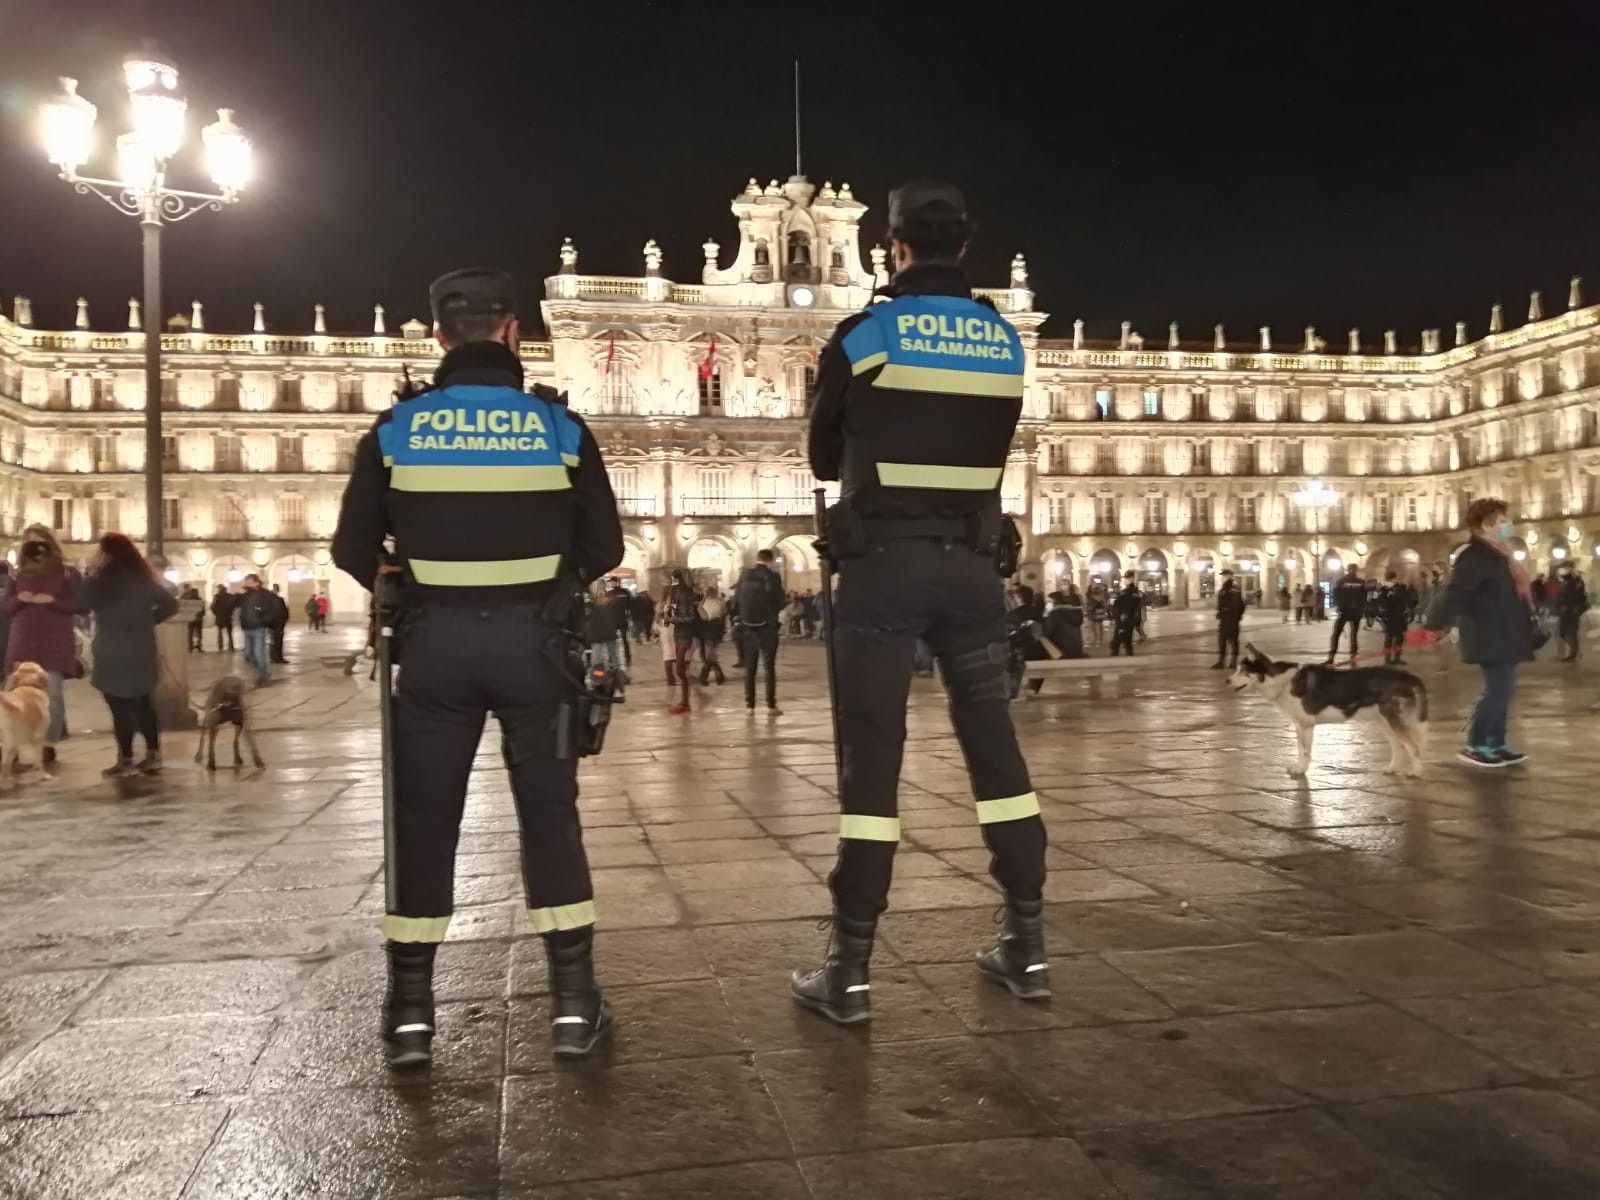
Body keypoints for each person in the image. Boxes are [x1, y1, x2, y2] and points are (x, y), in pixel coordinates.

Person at [332, 266, 624, 1064]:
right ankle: (571, 1005)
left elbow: (350, 548)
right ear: (513, 334)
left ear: (438, 338)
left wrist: (407, 580)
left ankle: (411, 1014)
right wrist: (549, 579)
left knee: (425, 823)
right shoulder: (560, 430)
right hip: (537, 651)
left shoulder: (397, 430)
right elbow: (607, 546)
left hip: (434, 653)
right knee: (549, 819)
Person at [794, 181, 1049, 1023]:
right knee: (998, 761)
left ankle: (852, 971)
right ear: (963, 249)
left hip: (882, 575)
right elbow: (994, 437)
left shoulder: (866, 334)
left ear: (894, 246)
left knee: (873, 767)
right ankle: (1026, 944)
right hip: (973, 575)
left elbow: (823, 453)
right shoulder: (1004, 343)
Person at [1424, 497, 1535, 767]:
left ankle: (1496, 743)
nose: (1509, 525)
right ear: (1486, 524)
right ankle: (1475, 744)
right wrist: (1437, 624)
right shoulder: (1474, 556)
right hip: (1488, 631)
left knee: (1503, 690)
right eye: (1502, 520)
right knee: (1498, 690)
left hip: (1504, 630)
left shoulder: (1500, 554)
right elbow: (1456, 593)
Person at [81, 534, 179, 777]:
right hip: (140, 648)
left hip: (110, 648)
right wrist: (149, 620)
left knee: (118, 706)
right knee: (144, 704)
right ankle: (153, 754)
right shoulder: (143, 580)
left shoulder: (100, 581)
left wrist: (89, 575)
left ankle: (125, 759)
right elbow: (170, 604)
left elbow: (80, 604)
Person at [3, 524, 81, 762]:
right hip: (23, 637)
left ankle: (48, 743)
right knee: (11, 692)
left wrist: (53, 600)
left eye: (41, 541)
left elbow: (80, 605)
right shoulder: (17, 575)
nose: (36, 547)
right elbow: (5, 608)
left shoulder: (68, 574)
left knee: (53, 693)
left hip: (54, 638)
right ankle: (10, 743)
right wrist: (19, 599)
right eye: (30, 541)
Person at [733, 549, 787, 714]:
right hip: (768, 628)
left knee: (750, 669)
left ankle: (750, 706)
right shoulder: (773, 577)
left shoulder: (744, 576)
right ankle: (771, 705)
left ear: (757, 559)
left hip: (749, 628)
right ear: (770, 561)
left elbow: (735, 602)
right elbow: (781, 602)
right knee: (769, 667)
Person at [661, 570, 700, 714]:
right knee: (680, 669)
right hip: (678, 634)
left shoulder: (687, 594)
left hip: (686, 634)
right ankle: (684, 702)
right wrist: (668, 611)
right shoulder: (675, 594)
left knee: (679, 669)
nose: (673, 583)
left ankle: (685, 702)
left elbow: (690, 618)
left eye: (674, 580)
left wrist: (671, 619)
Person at [235, 574, 276, 686]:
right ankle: (263, 672)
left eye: (249, 582)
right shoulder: (245, 595)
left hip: (258, 628)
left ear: (257, 582)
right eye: (246, 582)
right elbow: (236, 604)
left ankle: (262, 677)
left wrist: (262, 620)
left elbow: (270, 610)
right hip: (247, 628)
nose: (247, 584)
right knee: (247, 654)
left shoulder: (265, 595)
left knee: (259, 653)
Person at [1326, 564, 1366, 663]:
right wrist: (1361, 608)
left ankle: (1331, 657)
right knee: (1353, 634)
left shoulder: (1341, 581)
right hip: (1355, 611)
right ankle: (1353, 656)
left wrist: (1339, 606)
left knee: (1336, 634)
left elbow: (1336, 595)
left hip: (1345, 611)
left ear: (1347, 570)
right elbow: (1364, 597)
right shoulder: (1361, 582)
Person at [1555, 562, 1589, 663]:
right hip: (1566, 610)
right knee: (1563, 632)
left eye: (1566, 568)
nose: (1563, 570)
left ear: (1571, 569)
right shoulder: (1566, 580)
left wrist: (1569, 606)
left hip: (1573, 610)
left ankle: (1573, 654)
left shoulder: (1576, 581)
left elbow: (1575, 596)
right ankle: (1575, 652)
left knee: (1570, 632)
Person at [1213, 569, 1246, 669]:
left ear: (1230, 576)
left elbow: (1239, 605)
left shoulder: (1232, 590)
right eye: (1222, 576)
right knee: (1224, 641)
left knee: (1232, 641)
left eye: (1224, 576)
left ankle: (1232, 662)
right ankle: (1223, 662)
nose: (1222, 578)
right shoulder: (1223, 590)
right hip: (1227, 619)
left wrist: (1236, 615)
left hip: (1230, 619)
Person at [1377, 570, 1412, 664]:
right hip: (1397, 616)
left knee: (1392, 638)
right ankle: (1393, 658)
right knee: (1395, 638)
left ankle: (1390, 658)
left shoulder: (1387, 588)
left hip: (1392, 616)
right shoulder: (1388, 588)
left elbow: (1380, 603)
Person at [1041, 587, 1085, 659]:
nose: (1046, 604)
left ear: (1055, 602)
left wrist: (1045, 616)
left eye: (1049, 602)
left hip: (1061, 651)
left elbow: (1045, 632)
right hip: (1076, 650)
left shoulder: (1054, 615)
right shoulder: (1072, 612)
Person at [697, 588, 728, 685]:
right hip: (716, 631)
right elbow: (723, 616)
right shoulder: (720, 603)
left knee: (708, 656)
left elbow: (703, 617)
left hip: (707, 631)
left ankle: (704, 677)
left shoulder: (704, 603)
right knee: (710, 655)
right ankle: (719, 676)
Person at [1109, 576, 1143, 656]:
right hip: (1128, 620)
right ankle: (1128, 652)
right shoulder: (1135, 598)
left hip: (1120, 619)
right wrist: (1138, 625)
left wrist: (1115, 617)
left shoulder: (1121, 596)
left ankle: (1115, 651)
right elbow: (1137, 612)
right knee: (1127, 638)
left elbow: (1114, 607)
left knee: (1118, 636)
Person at [605, 578, 632, 667]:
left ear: (617, 582)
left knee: (622, 640)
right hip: (617, 620)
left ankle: (626, 658)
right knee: (615, 640)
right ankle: (615, 658)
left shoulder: (611, 594)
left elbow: (630, 605)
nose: (611, 583)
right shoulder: (625, 592)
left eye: (612, 582)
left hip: (618, 620)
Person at [266, 584, 290, 664]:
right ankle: (276, 658)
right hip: (275, 624)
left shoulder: (279, 599)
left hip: (277, 624)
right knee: (276, 641)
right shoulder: (273, 600)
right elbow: (285, 612)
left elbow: (285, 612)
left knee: (277, 641)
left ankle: (277, 657)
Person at [179, 586, 206, 652]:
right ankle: (199, 646)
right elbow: (203, 610)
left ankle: (190, 647)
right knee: (199, 634)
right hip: (198, 619)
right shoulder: (199, 599)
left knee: (190, 634)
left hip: (191, 619)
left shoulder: (188, 600)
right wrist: (201, 615)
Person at [211, 584, 236, 652]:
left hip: (220, 616)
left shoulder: (217, 596)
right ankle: (231, 646)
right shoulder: (230, 596)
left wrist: (216, 613)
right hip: (228, 616)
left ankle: (220, 646)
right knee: (229, 633)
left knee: (220, 632)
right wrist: (230, 612)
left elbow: (212, 606)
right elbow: (233, 605)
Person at [1085, 578, 1109, 647]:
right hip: (1091, 611)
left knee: (1098, 626)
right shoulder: (1089, 593)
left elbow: (1105, 600)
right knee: (1091, 627)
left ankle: (1098, 640)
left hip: (1098, 612)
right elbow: (1087, 601)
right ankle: (1092, 640)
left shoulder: (1101, 591)